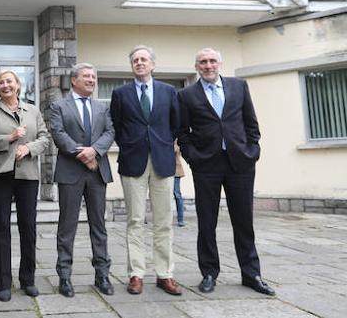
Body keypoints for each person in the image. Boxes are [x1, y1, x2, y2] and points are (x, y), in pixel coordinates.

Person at [177, 48, 275, 296]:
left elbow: (251, 123)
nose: (208, 65)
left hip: (240, 164)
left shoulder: (239, 86)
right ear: (196, 66)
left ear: (220, 63)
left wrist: (252, 151)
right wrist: (193, 158)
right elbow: (182, 132)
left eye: (212, 61)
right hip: (206, 166)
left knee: (244, 221)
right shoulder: (187, 95)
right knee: (206, 222)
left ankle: (251, 274)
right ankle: (209, 273)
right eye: (202, 62)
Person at [110, 45, 182, 296]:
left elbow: (176, 125)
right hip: (133, 162)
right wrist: (131, 145)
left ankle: (165, 274)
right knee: (135, 220)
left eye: (144, 59)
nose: (139, 63)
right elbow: (117, 127)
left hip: (162, 161)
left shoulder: (168, 91)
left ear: (152, 64)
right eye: (135, 60)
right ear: (132, 65)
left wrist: (161, 144)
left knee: (164, 221)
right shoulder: (120, 93)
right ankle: (136, 274)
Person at [0, 70, 50, 302]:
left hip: (27, 176)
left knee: (28, 228)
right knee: (1, 228)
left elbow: (45, 138)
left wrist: (28, 148)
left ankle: (28, 279)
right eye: (1, 82)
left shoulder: (32, 110)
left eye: (9, 81)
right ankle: (3, 283)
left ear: (18, 85)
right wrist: (10, 138)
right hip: (0, 175)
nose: (5, 85)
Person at [49, 63, 115, 297]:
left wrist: (94, 151)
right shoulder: (59, 106)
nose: (91, 80)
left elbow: (110, 132)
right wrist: (83, 155)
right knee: (67, 226)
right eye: (86, 76)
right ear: (74, 80)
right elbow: (58, 133)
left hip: (98, 171)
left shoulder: (101, 107)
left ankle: (102, 275)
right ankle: (65, 276)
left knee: (99, 225)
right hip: (70, 172)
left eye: (94, 77)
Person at [173, 141, 185, 227]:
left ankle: (181, 219)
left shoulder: (176, 138)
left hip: (176, 170)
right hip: (165, 170)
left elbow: (177, 150)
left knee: (177, 194)